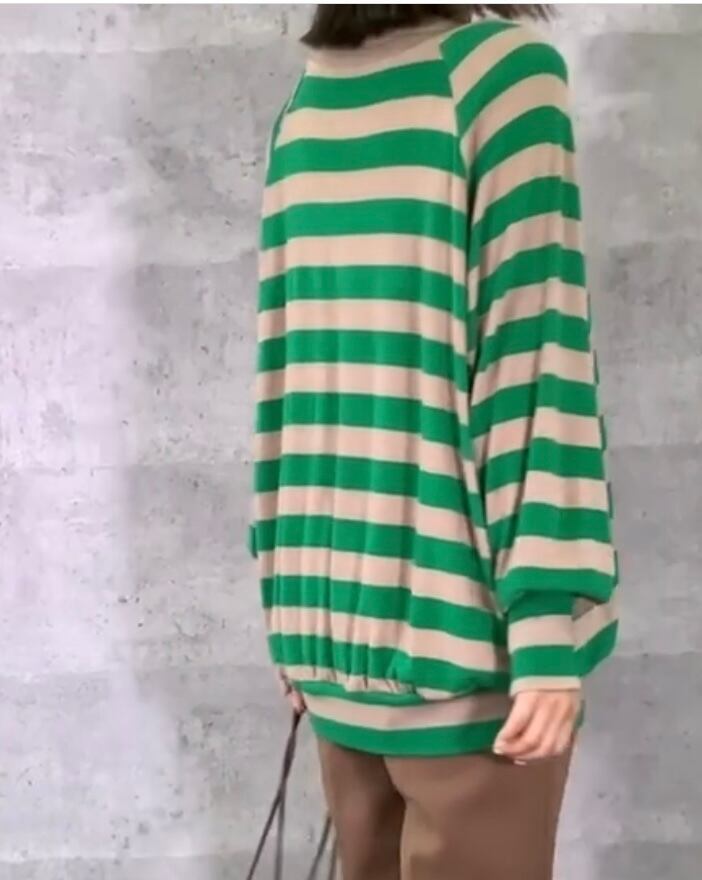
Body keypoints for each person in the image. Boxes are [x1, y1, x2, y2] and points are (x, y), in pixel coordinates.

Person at [248, 5, 619, 878]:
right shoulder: (501, 76)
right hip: (468, 643)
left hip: (331, 628)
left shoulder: (308, 102)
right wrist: (544, 626)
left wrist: (288, 612)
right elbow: (533, 358)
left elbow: (287, 372)